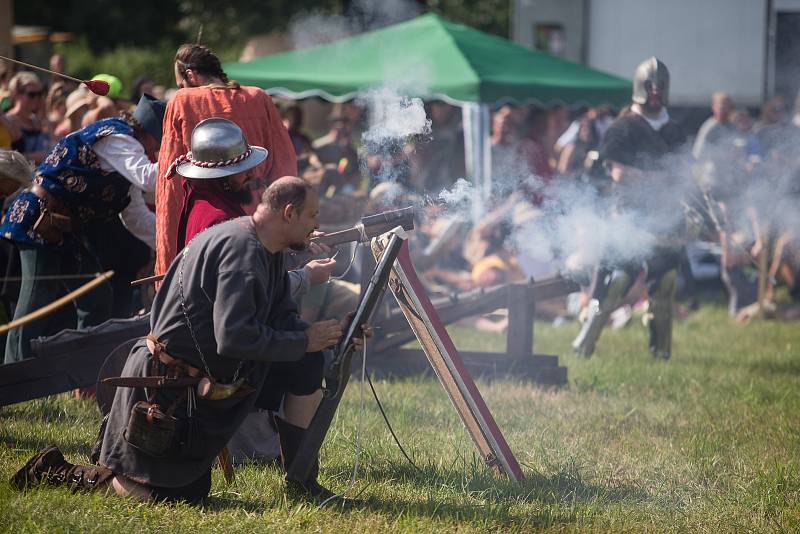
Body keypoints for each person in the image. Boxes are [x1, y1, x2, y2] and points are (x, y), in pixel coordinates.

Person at [11, 177, 368, 504]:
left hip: (206, 374)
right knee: (170, 495)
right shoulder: (242, 252)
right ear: (289, 213)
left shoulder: (266, 248)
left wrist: (329, 335)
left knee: (305, 365)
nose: (316, 225)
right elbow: (234, 338)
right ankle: (59, 471)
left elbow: (278, 318)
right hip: (168, 387)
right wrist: (304, 340)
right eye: (312, 215)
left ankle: (301, 481)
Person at [0, 94, 166, 362]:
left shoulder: (129, 153)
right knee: (36, 301)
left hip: (60, 228)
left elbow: (136, 217)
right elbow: (148, 178)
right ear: (151, 134)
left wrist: (171, 245)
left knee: (96, 296)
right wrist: (184, 161)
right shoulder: (118, 137)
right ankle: (13, 376)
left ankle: (81, 372)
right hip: (38, 219)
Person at [572, 57, 687, 360]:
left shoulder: (674, 130)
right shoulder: (622, 127)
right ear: (640, 87)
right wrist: (659, 179)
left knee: (665, 284)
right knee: (616, 282)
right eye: (650, 85)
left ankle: (661, 353)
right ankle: (584, 345)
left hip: (667, 218)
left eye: (659, 86)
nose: (655, 91)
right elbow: (620, 174)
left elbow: (684, 174)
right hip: (630, 215)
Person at [155, 43, 297, 279]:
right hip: (259, 217)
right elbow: (284, 167)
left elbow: (169, 185)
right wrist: (288, 224)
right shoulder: (258, 96)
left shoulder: (182, 100)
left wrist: (167, 262)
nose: (181, 88)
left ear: (190, 74)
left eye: (181, 83)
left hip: (206, 217)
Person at [5, 71, 51, 163]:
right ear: (16, 94)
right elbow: (5, 157)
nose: (37, 98)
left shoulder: (37, 121)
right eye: (31, 94)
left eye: (40, 94)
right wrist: (33, 157)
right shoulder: (8, 121)